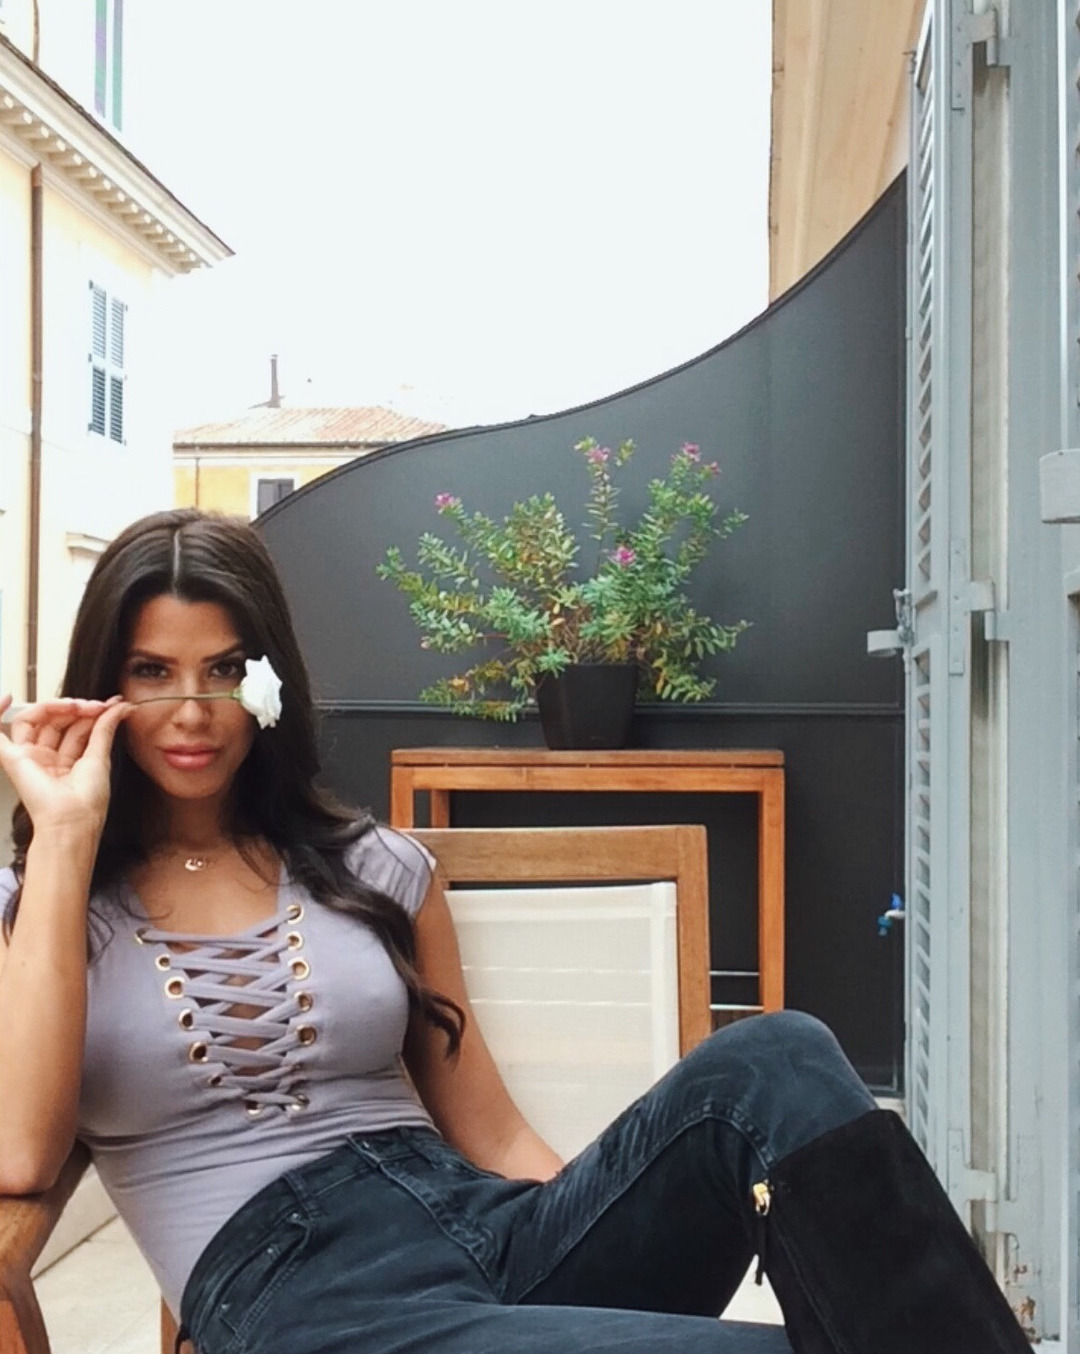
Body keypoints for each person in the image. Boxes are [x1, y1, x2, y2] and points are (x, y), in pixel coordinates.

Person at [0, 509, 1028, 1354]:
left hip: (483, 1231)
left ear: (268, 684)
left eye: (225, 669)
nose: (190, 709)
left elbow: (490, 1133)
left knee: (778, 1055)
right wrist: (66, 835)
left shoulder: (374, 868)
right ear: (102, 686)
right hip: (309, 1305)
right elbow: (19, 1154)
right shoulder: (49, 906)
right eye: (150, 671)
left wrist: (592, 1233)